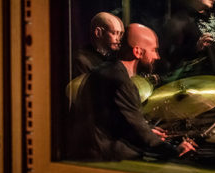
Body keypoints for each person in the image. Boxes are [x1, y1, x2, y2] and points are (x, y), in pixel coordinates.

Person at [66, 23, 196, 161]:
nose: (157, 56)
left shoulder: (108, 70)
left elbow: (116, 121)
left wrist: (147, 128)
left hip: (94, 148)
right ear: (138, 52)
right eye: (154, 50)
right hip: (103, 157)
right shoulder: (120, 81)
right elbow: (141, 134)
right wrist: (174, 150)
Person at [73, 12, 124, 77]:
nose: (118, 39)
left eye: (120, 34)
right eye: (114, 33)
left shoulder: (113, 59)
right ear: (98, 33)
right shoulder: (82, 61)